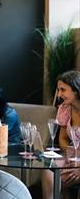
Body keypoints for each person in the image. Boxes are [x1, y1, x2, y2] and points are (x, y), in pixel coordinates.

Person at [41, 70, 80, 199]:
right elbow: (62, 138)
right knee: (48, 169)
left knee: (61, 179)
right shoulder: (64, 108)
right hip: (72, 157)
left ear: (76, 89)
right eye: (58, 90)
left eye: (63, 90)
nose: (59, 94)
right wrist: (70, 154)